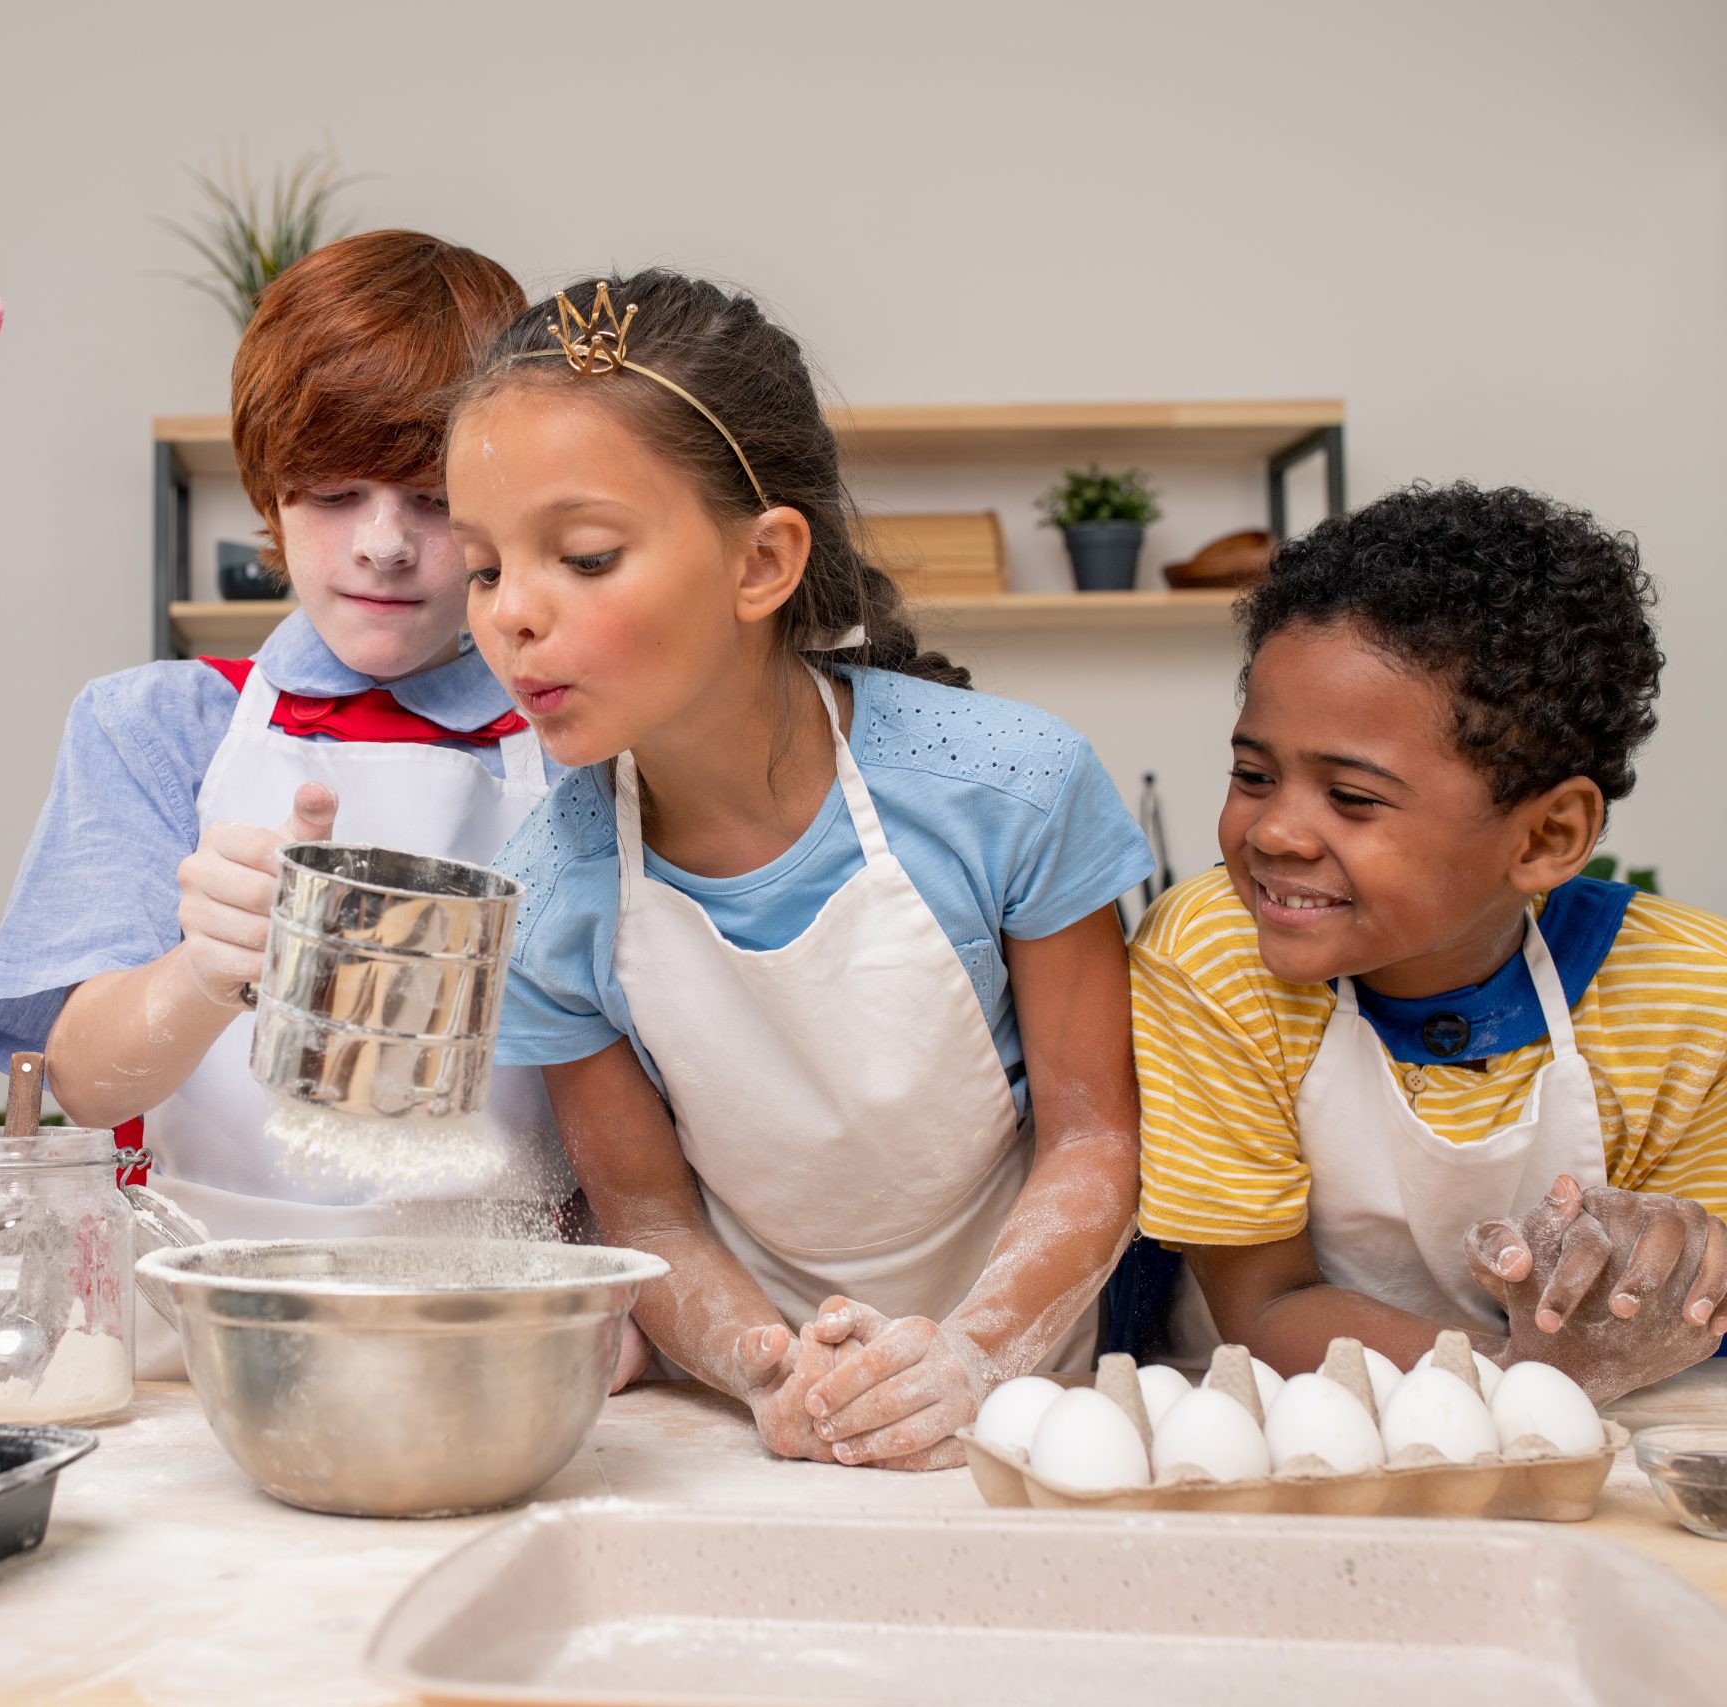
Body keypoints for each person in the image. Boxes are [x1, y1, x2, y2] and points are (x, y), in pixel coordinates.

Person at [447, 274, 1151, 1468]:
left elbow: (1093, 1144)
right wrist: (772, 1372)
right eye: (481, 566)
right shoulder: (552, 893)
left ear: (763, 562)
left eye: (584, 555)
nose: (512, 613)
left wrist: (971, 1355)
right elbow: (650, 1216)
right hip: (755, 1428)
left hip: (1032, 1414)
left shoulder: (1011, 791)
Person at [0, 231, 569, 1375]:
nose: (383, 544)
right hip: (205, 1333)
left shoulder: (576, 744)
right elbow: (82, 1082)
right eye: (334, 493)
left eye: (433, 499)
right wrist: (199, 976)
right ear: (268, 490)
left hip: (502, 1331)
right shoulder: (159, 730)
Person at [1131, 481, 1727, 1402]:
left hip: (1600, 1434)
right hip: (1288, 1421)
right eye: (1254, 773)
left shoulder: (1691, 995)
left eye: (1354, 798)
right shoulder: (1212, 955)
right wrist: (1517, 1380)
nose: (1276, 833)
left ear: (1545, 837)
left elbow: (1677, 1324)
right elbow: (1267, 1306)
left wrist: (1663, 1273)